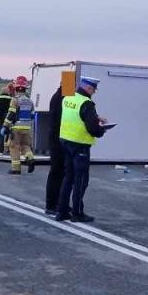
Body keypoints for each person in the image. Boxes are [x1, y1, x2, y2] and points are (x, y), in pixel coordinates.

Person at [56, 76, 112, 222]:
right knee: (81, 180)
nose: (94, 92)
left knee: (68, 177)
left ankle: (61, 212)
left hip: (65, 141)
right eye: (93, 89)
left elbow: (77, 116)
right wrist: (102, 130)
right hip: (80, 144)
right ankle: (77, 213)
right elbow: (92, 128)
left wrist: (95, 118)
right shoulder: (87, 103)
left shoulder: (69, 98)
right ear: (88, 88)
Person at [3, 76, 37, 174]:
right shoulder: (30, 101)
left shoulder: (15, 100)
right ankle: (30, 158)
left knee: (14, 147)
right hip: (27, 128)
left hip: (16, 128)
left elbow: (11, 113)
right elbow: (32, 115)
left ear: (16, 88)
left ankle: (16, 168)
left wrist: (5, 125)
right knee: (25, 145)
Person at [44, 82, 66, 214]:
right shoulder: (60, 99)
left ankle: (58, 203)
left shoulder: (59, 97)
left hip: (58, 139)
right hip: (58, 140)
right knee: (57, 172)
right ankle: (52, 204)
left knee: (60, 173)